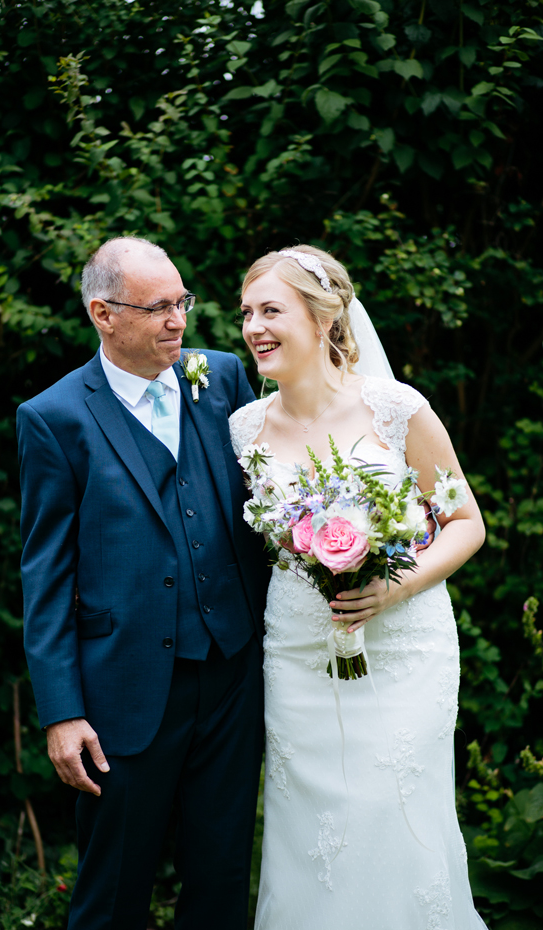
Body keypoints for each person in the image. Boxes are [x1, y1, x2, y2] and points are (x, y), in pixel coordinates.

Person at [229, 244, 488, 929]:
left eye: (271, 310)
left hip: (404, 648)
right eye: (247, 312)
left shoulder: (397, 410)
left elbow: (465, 523)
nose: (254, 326)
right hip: (299, 653)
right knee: (307, 828)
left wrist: (393, 588)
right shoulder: (245, 429)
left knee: (393, 814)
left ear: (325, 319)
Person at [17, 236, 270, 930]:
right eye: (156, 307)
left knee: (220, 879)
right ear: (103, 313)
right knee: (113, 892)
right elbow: (45, 573)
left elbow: (267, 509)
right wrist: (61, 712)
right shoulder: (54, 418)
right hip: (122, 694)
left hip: (230, 674)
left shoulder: (221, 380)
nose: (177, 320)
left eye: (181, 301)